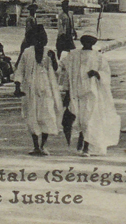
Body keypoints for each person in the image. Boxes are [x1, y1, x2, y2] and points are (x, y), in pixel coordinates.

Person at [59, 33, 120, 156]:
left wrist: (97, 73)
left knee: (89, 120)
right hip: (75, 93)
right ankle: (81, 141)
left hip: (91, 94)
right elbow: (63, 67)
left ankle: (86, 147)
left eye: (89, 43)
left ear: (93, 44)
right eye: (85, 42)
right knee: (79, 120)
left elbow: (105, 73)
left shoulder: (98, 57)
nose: (87, 45)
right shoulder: (74, 55)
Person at [13, 25, 62, 156]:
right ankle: (36, 146)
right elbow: (20, 70)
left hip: (46, 88)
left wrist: (53, 59)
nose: (40, 41)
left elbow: (57, 71)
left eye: (42, 39)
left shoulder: (49, 52)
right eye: (37, 39)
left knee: (47, 114)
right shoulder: (27, 53)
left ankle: (43, 145)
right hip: (30, 89)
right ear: (33, 40)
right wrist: (17, 87)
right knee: (32, 117)